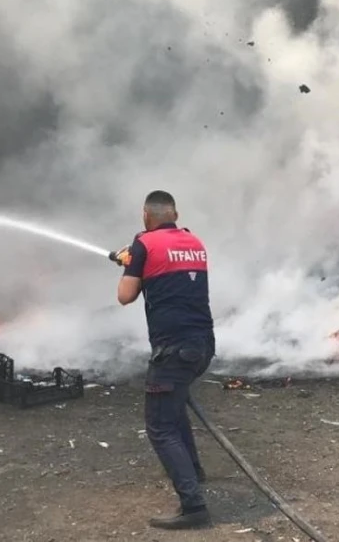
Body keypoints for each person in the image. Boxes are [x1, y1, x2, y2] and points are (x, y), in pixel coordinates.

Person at [114, 190, 215, 530]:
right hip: (202, 346)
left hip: (173, 350)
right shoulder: (193, 241)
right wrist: (135, 262)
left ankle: (194, 506)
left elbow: (125, 296)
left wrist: (132, 262)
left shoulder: (144, 243)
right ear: (175, 213)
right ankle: (194, 471)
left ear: (146, 215)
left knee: (159, 427)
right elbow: (167, 273)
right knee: (173, 408)